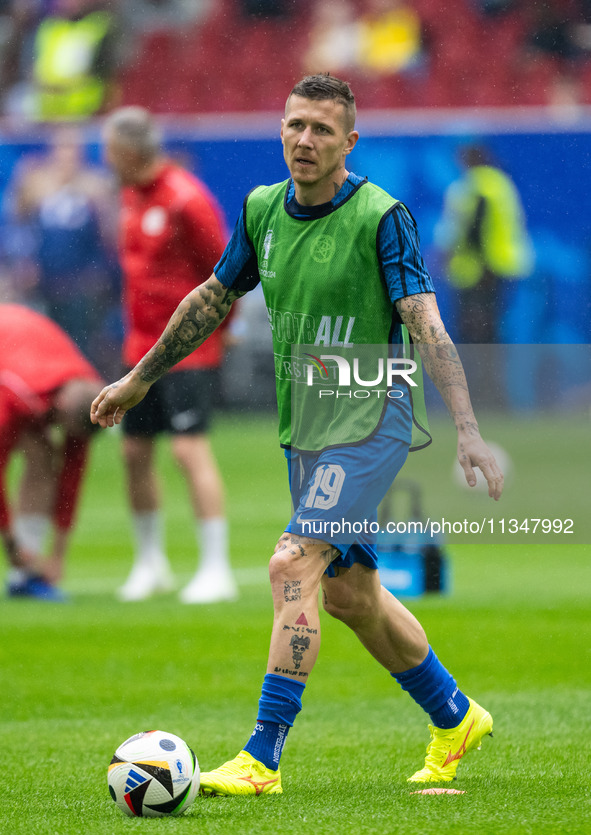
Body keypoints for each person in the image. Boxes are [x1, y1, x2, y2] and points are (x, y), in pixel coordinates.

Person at [92, 75, 504, 791]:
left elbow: (424, 321)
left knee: (292, 562)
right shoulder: (260, 211)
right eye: (294, 125)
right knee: (349, 595)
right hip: (306, 427)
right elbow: (212, 297)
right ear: (280, 130)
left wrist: (467, 430)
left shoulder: (383, 215)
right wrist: (140, 377)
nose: (304, 140)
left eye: (320, 129)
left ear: (349, 141)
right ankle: (455, 713)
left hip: (372, 419)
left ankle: (262, 755)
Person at [102, 106, 237, 605]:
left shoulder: (187, 199)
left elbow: (226, 272)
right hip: (138, 348)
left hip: (187, 350)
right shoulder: (128, 198)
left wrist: (221, 332)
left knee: (187, 449)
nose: (106, 159)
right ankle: (150, 562)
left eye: (110, 150)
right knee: (134, 451)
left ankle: (216, 568)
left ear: (129, 152)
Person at [0, 303, 103, 600]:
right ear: (58, 410)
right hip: (11, 356)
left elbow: (72, 477)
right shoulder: (16, 393)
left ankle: (25, 575)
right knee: (41, 453)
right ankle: (23, 561)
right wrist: (9, 543)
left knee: (43, 456)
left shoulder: (87, 398)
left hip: (20, 343)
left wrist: (58, 554)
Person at [9, 124, 119, 368]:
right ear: (53, 151)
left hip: (82, 277)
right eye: (62, 148)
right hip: (46, 275)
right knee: (46, 335)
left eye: (72, 148)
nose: (67, 155)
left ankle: (83, 381)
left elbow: (109, 234)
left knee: (83, 337)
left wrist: (102, 271)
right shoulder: (36, 181)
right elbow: (19, 226)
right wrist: (25, 263)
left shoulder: (95, 184)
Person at [436, 143, 534, 345]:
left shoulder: (475, 186)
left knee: (476, 329)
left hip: (479, 271)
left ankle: (481, 374)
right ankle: (490, 373)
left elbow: (474, 230)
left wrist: (482, 267)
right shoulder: (499, 183)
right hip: (501, 267)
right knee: (492, 328)